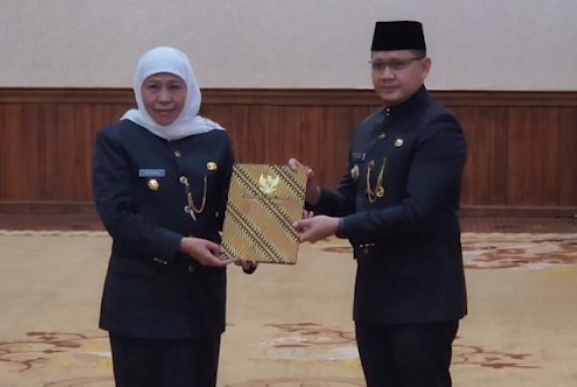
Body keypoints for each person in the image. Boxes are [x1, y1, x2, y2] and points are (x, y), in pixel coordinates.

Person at [290, 21, 467, 387]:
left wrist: (338, 227)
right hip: (374, 292)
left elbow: (418, 213)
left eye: (397, 64)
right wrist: (315, 194)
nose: (386, 74)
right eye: (378, 65)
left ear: (424, 67)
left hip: (423, 296)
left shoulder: (438, 128)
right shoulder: (369, 128)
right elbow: (351, 201)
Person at [92, 46, 255, 387]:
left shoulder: (214, 139)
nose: (164, 98)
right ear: (139, 89)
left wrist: (252, 243)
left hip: (199, 300)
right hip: (139, 300)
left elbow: (229, 209)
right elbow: (118, 217)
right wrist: (180, 244)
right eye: (153, 87)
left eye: (174, 87)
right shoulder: (117, 139)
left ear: (189, 89)